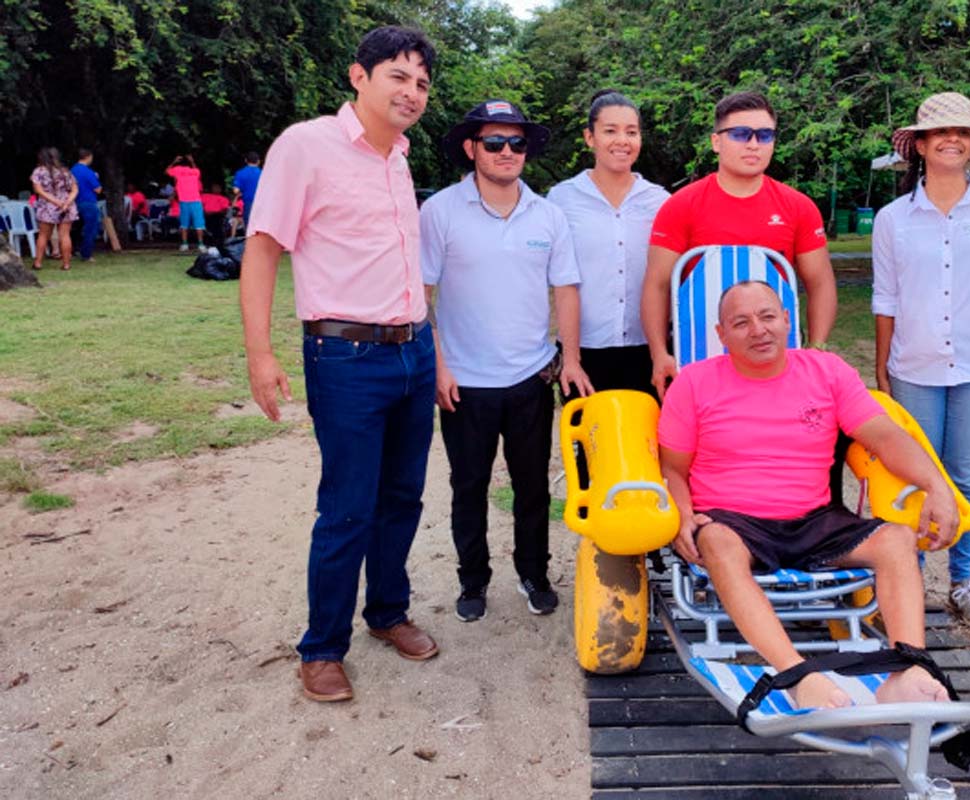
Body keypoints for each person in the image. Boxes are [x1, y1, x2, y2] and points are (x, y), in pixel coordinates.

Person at [239, 25, 438, 703]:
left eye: (421, 83)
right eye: (398, 77)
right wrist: (260, 355)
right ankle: (322, 647)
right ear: (360, 76)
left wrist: (428, 343)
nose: (411, 92)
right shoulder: (306, 147)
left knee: (403, 497)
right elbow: (263, 249)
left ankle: (387, 612)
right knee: (348, 507)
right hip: (345, 355)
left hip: (414, 349)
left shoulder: (401, 158)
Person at [658, 280, 959, 708]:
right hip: (735, 522)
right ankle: (795, 674)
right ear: (721, 334)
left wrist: (936, 485)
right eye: (740, 323)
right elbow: (673, 467)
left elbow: (886, 437)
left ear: (788, 319)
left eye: (767, 316)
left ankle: (907, 668)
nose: (758, 330)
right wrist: (684, 515)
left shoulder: (828, 371)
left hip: (815, 519)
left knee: (896, 539)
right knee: (716, 541)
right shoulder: (694, 383)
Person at [420, 99, 590, 623]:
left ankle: (534, 574)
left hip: (530, 377)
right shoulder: (440, 211)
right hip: (464, 383)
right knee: (467, 487)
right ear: (472, 149)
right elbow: (421, 296)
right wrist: (439, 367)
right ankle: (473, 581)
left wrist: (572, 360)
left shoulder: (549, 214)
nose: (507, 152)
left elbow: (565, 290)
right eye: (494, 142)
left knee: (533, 485)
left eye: (516, 143)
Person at [871, 92, 970, 627]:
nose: (951, 139)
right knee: (914, 476)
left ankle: (962, 583)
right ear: (918, 145)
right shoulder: (893, 219)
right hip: (912, 366)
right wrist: (881, 367)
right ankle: (908, 579)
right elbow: (885, 297)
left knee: (965, 478)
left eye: (963, 132)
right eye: (940, 132)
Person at [641, 91, 837, 400]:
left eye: (765, 135)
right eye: (741, 134)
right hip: (699, 359)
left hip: (777, 362)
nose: (753, 144)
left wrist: (817, 348)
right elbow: (657, 285)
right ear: (716, 141)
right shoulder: (681, 206)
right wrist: (659, 353)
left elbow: (821, 282)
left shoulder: (798, 207)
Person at [546, 90, 669, 397]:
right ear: (590, 137)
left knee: (646, 442)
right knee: (591, 442)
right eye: (610, 131)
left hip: (648, 350)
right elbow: (558, 281)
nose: (622, 141)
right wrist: (570, 358)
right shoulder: (561, 199)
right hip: (585, 351)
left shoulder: (660, 202)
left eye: (631, 132)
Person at [29, 147, 79, 271]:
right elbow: (75, 189)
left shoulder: (39, 171)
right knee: (65, 235)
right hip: (66, 205)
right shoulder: (65, 171)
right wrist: (67, 203)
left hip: (47, 205)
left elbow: (38, 190)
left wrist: (55, 201)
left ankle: (38, 262)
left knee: (43, 235)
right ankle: (66, 264)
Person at [166, 154, 205, 252]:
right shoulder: (195, 172)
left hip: (184, 201)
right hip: (196, 201)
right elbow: (197, 170)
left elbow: (167, 170)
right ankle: (200, 244)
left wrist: (174, 161)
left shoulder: (177, 170)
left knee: (184, 224)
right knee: (198, 224)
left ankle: (184, 244)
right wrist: (192, 161)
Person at [70, 148, 102, 262]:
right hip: (88, 202)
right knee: (91, 228)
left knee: (76, 228)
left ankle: (75, 249)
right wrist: (96, 177)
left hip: (75, 202)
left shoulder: (72, 170)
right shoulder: (88, 171)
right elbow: (98, 189)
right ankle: (86, 254)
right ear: (88, 157)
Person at [233, 152, 262, 227]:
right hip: (262, 202)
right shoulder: (263, 173)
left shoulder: (240, 173)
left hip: (248, 202)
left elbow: (235, 190)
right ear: (258, 161)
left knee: (249, 226)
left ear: (246, 160)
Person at [201, 183, 231, 250]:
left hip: (217, 215)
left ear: (220, 190)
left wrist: (214, 212)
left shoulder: (223, 198)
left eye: (218, 188)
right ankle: (209, 243)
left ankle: (218, 244)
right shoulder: (205, 196)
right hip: (205, 215)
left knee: (217, 224)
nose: (216, 189)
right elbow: (200, 206)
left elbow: (224, 210)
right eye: (214, 187)